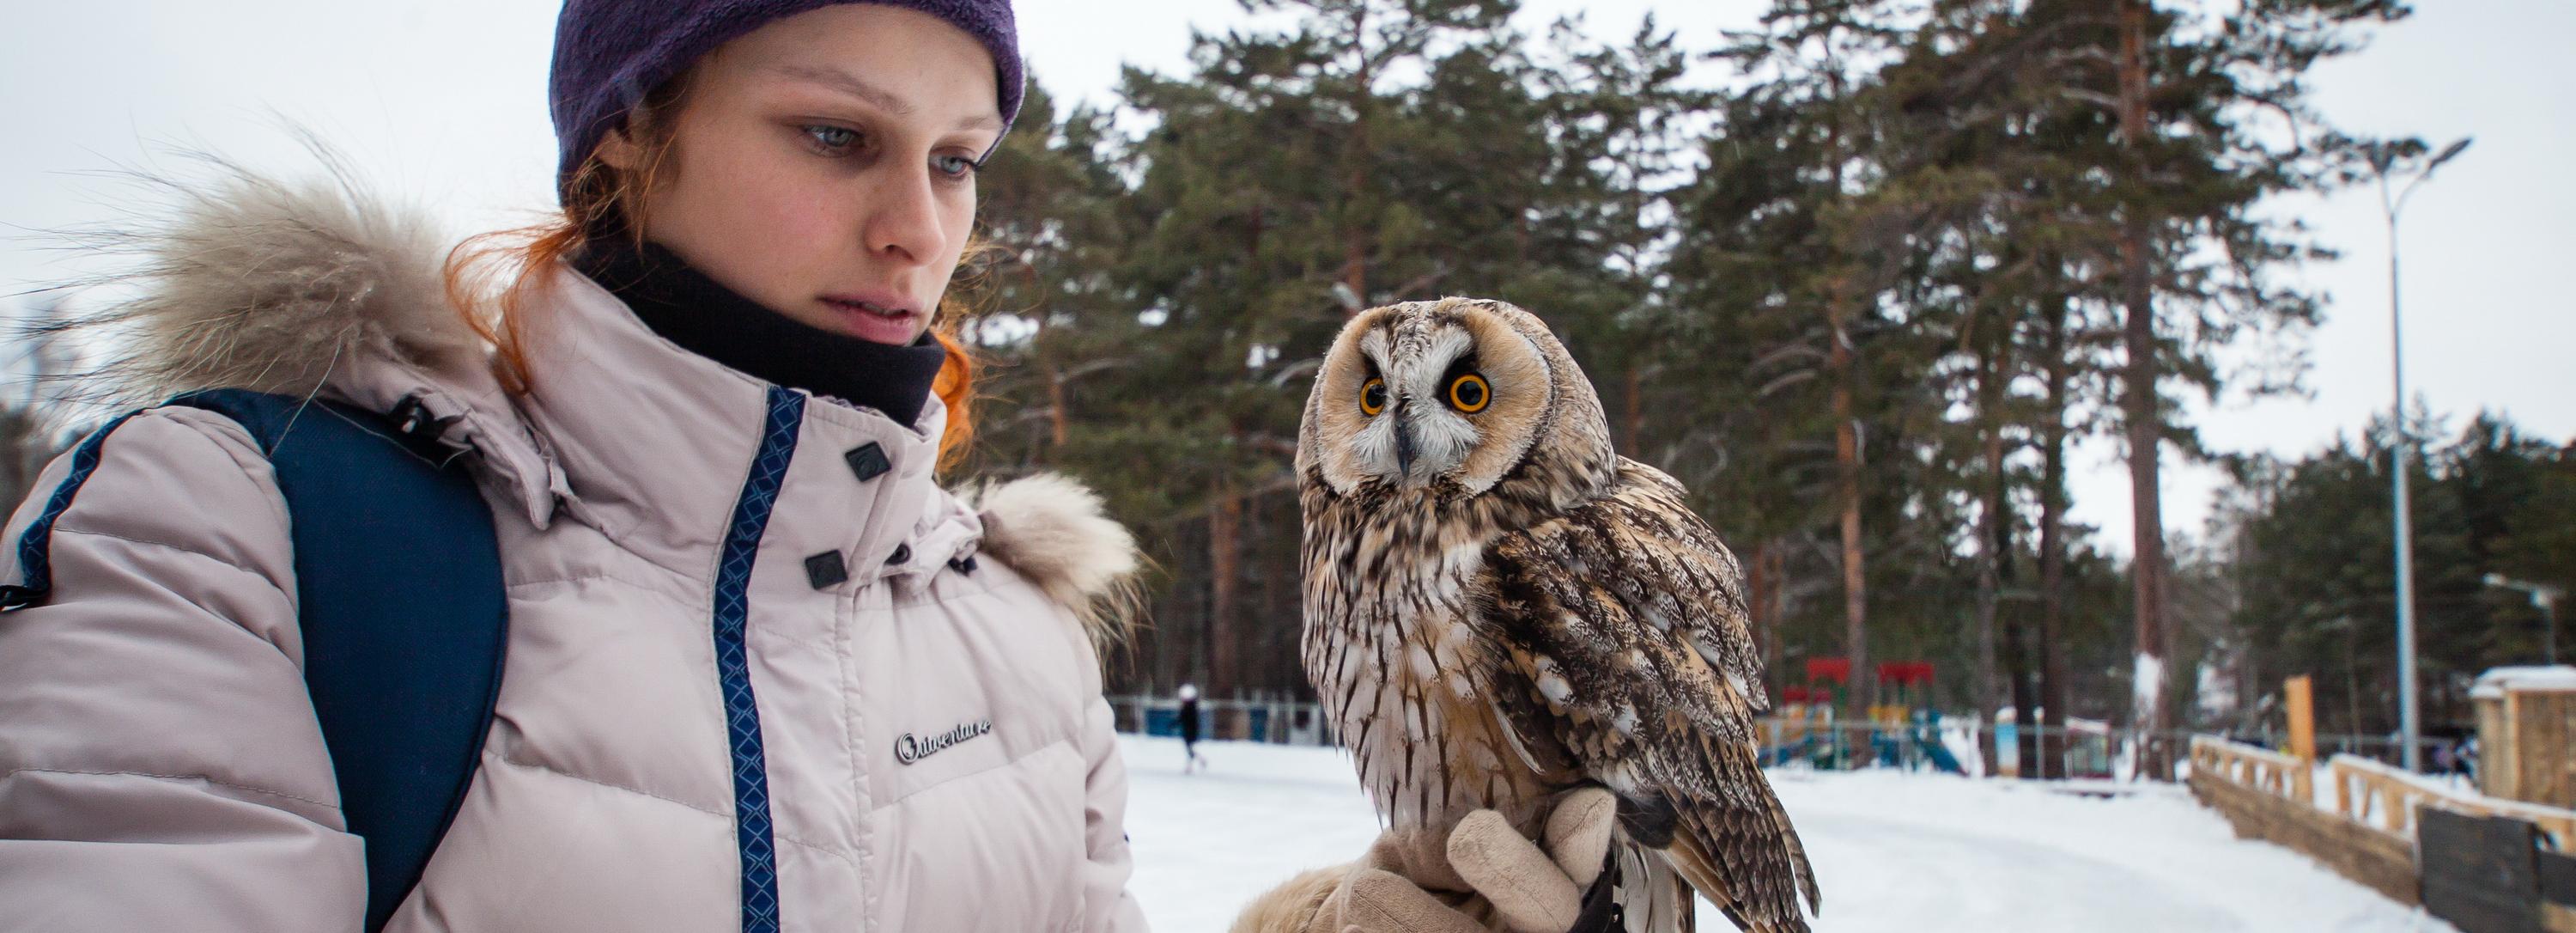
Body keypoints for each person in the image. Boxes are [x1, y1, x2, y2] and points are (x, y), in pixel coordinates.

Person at [0, 2, 1618, 930]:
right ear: (627, 134)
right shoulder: (246, 531)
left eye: (959, 160)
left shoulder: (1019, 635)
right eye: (838, 137)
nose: (918, 227)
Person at [1178, 683, 1206, 773]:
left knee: (1190, 749)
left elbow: (1182, 719)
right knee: (1190, 749)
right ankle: (1200, 761)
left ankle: (1191, 766)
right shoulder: (1192, 708)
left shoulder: (1188, 709)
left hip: (1189, 731)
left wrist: (1173, 724)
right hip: (1191, 730)